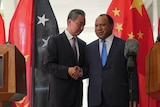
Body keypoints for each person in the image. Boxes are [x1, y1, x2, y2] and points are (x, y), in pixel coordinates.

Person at [84, 14, 139, 107]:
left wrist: (134, 97)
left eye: (102, 25)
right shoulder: (89, 48)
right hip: (96, 100)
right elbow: (87, 70)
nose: (99, 28)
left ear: (111, 25)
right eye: (96, 25)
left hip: (118, 99)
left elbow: (132, 75)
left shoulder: (124, 46)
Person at [43, 9, 86, 107]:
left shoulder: (82, 45)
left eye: (84, 25)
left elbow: (86, 67)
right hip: (59, 97)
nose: (82, 28)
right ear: (69, 22)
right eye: (80, 24)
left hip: (77, 97)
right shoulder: (55, 41)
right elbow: (47, 65)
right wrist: (68, 70)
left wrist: (81, 71)